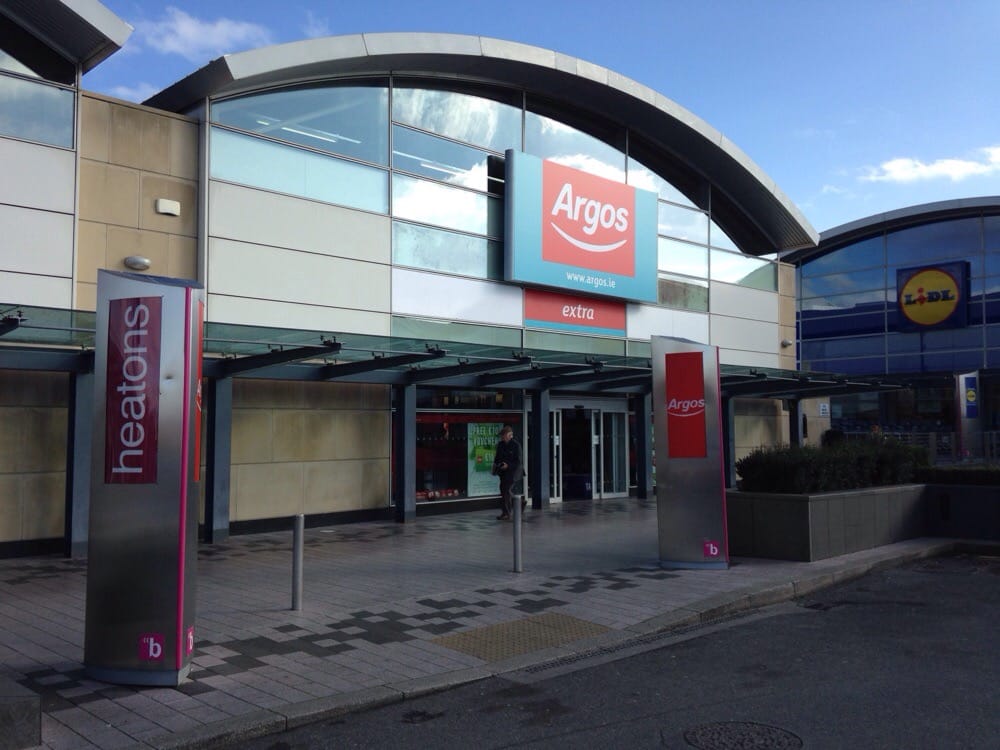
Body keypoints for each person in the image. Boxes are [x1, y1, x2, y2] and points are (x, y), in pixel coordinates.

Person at [492, 425, 523, 520]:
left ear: (510, 435)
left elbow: (518, 462)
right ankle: (520, 503)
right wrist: (495, 466)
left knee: (506, 490)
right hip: (503, 472)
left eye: (504, 435)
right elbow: (497, 458)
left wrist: (508, 465)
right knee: (504, 490)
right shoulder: (501, 445)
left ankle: (506, 513)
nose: (502, 437)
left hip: (513, 472)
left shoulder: (516, 445)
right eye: (501, 436)